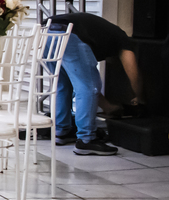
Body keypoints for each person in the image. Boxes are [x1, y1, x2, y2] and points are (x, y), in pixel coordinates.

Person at [48, 11, 145, 156]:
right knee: (89, 86)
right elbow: (133, 71)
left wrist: (108, 107)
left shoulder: (101, 37)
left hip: (46, 32)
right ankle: (86, 140)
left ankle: (61, 131)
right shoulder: (122, 38)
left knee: (62, 85)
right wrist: (140, 97)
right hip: (70, 34)